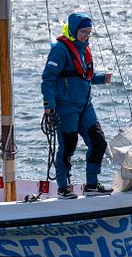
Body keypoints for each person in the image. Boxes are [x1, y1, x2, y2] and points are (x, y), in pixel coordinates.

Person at [41, 12, 113, 199]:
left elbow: (84, 76)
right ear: (73, 30)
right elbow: (48, 79)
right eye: (83, 31)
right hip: (65, 108)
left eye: (89, 32)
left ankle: (91, 184)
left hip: (85, 106)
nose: (86, 35)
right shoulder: (59, 49)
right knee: (68, 147)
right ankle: (63, 187)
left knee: (98, 143)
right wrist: (49, 104)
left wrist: (101, 79)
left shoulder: (85, 49)